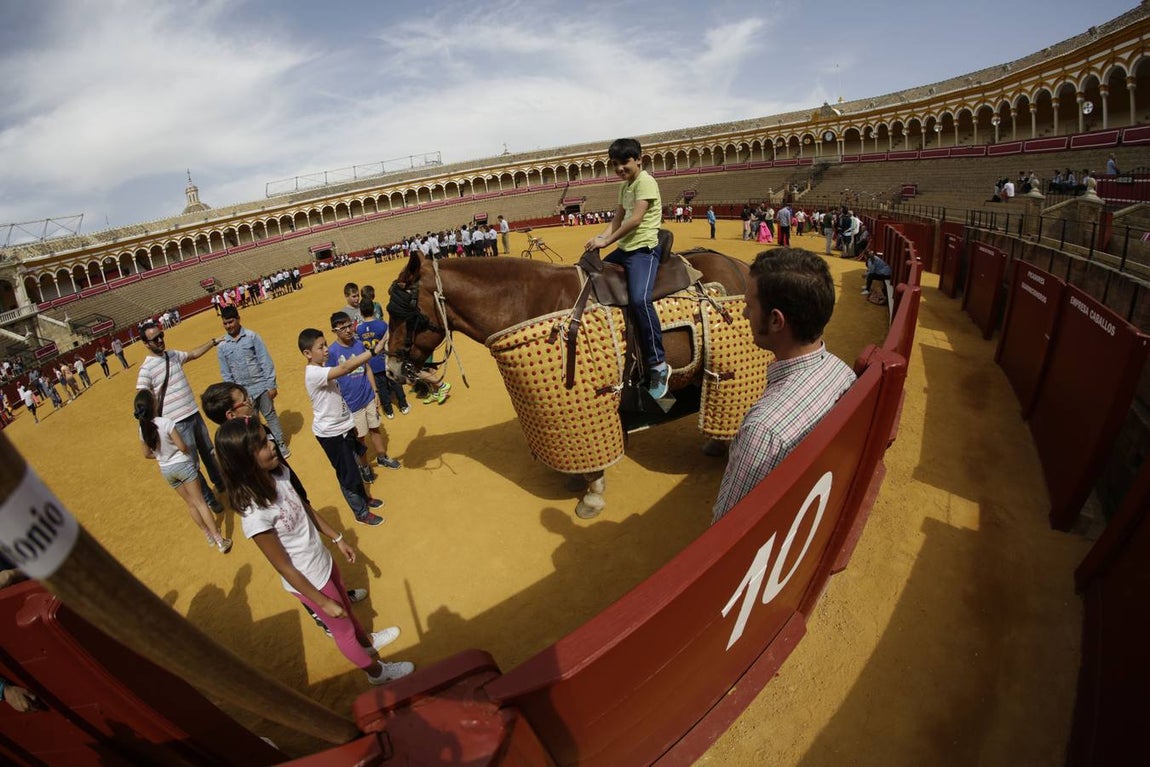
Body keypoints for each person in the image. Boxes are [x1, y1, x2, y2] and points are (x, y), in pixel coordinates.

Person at [214, 417, 414, 685]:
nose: (272, 444)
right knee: (341, 629)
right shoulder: (255, 515)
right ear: (244, 460)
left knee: (348, 610)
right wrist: (321, 602)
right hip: (309, 580)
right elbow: (283, 566)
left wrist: (337, 537)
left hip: (323, 561)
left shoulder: (280, 475)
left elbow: (306, 510)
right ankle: (377, 674)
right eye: (263, 444)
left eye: (268, 437)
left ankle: (367, 642)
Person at [712, 248, 856, 524]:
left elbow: (727, 525)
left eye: (750, 306)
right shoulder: (842, 372)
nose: (743, 313)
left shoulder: (763, 430)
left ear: (776, 320)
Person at [585, 137, 670, 399]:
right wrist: (599, 239)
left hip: (644, 249)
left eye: (625, 163)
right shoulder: (624, 187)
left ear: (638, 160)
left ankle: (658, 364)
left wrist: (608, 240)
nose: (620, 168)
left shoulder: (646, 181)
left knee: (639, 299)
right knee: (590, 271)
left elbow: (635, 219)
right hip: (625, 249)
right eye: (615, 164)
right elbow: (617, 219)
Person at [299, 326, 386, 526]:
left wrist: (350, 424)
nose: (326, 350)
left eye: (325, 345)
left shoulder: (321, 369)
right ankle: (361, 512)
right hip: (331, 434)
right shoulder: (313, 373)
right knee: (347, 474)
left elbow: (338, 400)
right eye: (320, 347)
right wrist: (372, 351)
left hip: (344, 427)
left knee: (356, 466)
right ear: (307, 353)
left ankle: (364, 499)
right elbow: (345, 368)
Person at [136, 322, 226, 513]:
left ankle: (220, 484)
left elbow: (192, 354)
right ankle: (209, 498)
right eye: (155, 339)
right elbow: (142, 398)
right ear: (145, 343)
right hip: (176, 423)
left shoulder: (173, 355)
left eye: (161, 336)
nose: (160, 340)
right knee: (191, 463)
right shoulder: (146, 369)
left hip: (193, 413)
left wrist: (213, 342)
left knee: (209, 452)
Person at [134, 389, 232, 553]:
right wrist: (181, 453)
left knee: (191, 505)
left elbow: (146, 454)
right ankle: (219, 540)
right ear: (153, 405)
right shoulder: (166, 423)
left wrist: (161, 456)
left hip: (166, 470)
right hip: (182, 465)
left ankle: (208, 535)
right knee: (200, 502)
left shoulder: (142, 429)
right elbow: (182, 446)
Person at [327, 312, 402, 482]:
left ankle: (382, 456)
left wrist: (375, 392)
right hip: (352, 403)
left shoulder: (359, 345)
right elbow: (331, 379)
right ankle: (365, 466)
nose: (348, 330)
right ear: (334, 330)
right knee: (360, 437)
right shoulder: (332, 352)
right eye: (343, 328)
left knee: (375, 427)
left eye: (349, 325)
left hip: (368, 396)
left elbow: (367, 368)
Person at [217, 305, 289, 457]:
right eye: (225, 323)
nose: (229, 326)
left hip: (261, 386)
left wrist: (271, 384)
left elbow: (265, 360)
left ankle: (280, 444)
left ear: (238, 319)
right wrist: (233, 395)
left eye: (231, 322)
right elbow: (226, 374)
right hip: (243, 394)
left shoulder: (252, 336)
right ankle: (262, 447)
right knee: (251, 422)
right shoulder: (222, 346)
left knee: (270, 416)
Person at [356, 299, 409, 419]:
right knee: (395, 383)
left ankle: (389, 411)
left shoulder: (359, 329)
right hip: (385, 360)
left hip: (371, 364)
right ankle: (403, 405)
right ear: (373, 309)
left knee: (382, 388)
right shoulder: (382, 324)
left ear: (360, 311)